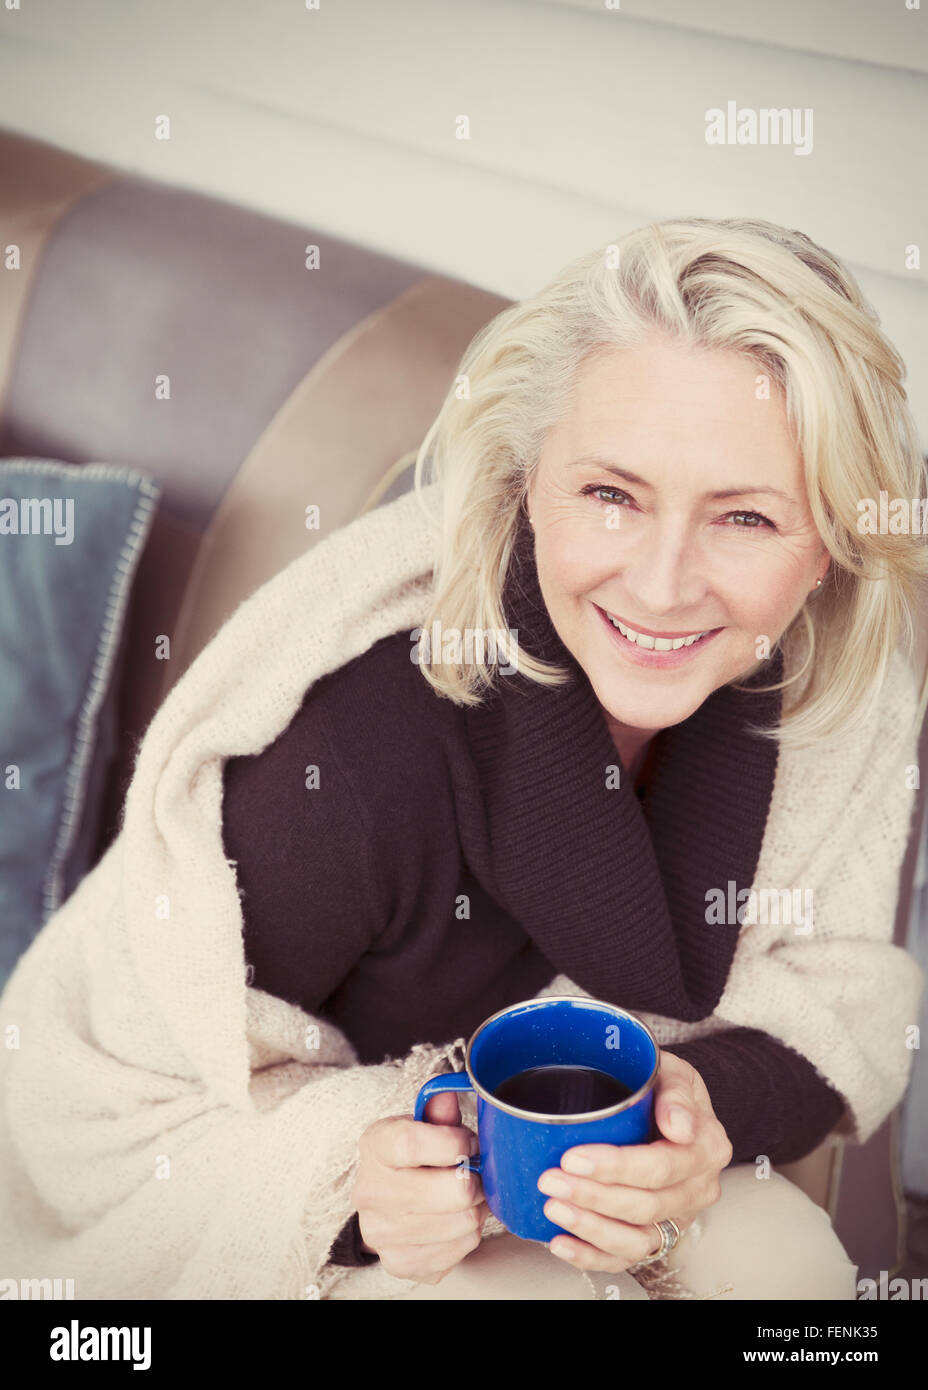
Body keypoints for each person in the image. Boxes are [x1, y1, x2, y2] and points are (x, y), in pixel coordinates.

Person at [220, 216, 928, 1299]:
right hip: (357, 1211)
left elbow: (838, 997)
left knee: (793, 1271)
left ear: (828, 539)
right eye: (611, 494)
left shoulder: (839, 674)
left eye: (743, 516)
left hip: (614, 1172)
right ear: (523, 482)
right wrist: (344, 1191)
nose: (659, 586)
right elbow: (164, 1096)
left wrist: (703, 1108)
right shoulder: (353, 745)